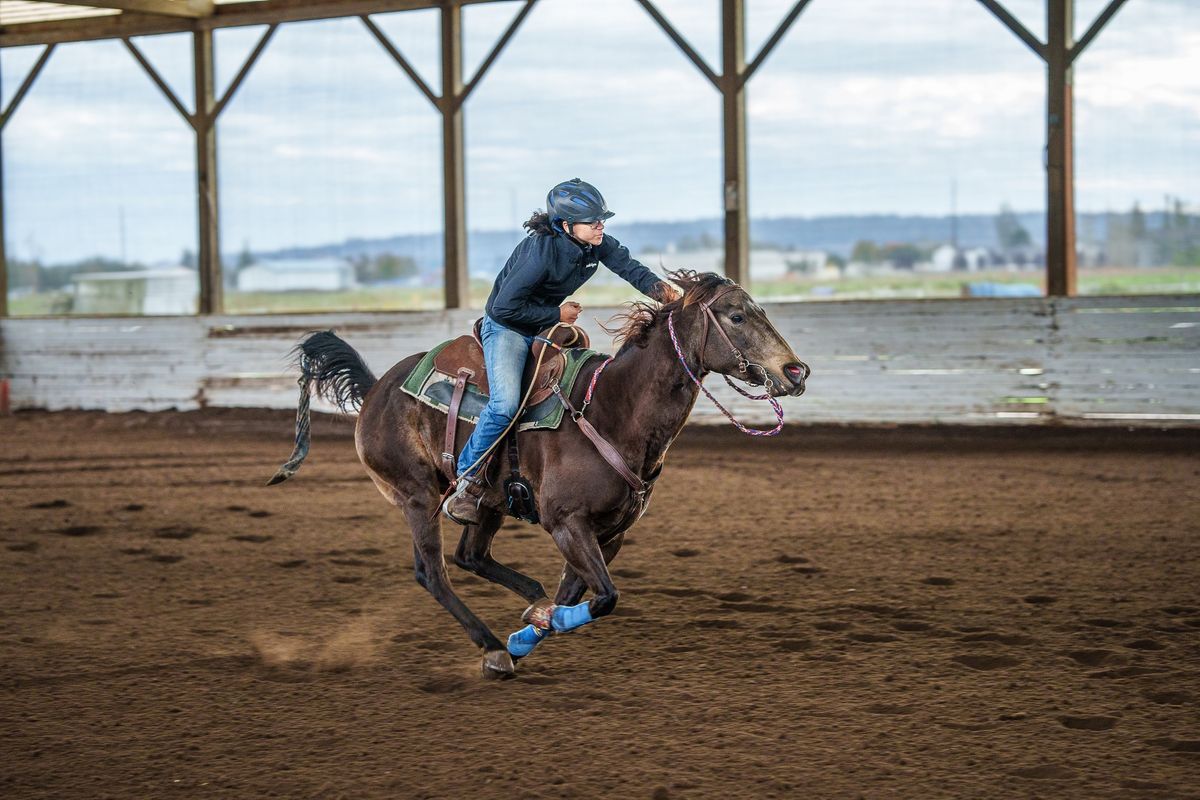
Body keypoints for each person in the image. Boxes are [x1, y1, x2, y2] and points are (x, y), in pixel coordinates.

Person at [443, 178, 681, 524]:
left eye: (602, 219)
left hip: (542, 327)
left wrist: (668, 295)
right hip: (507, 328)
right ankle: (466, 482)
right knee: (506, 403)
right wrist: (557, 314)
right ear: (567, 226)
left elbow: (631, 269)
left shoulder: (595, 244)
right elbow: (504, 308)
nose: (601, 225)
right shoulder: (539, 254)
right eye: (592, 220)